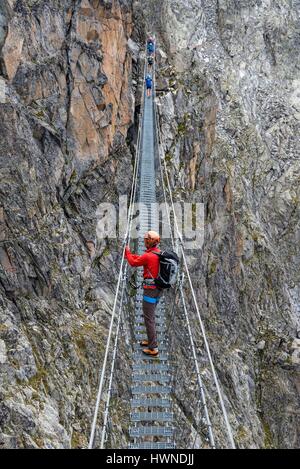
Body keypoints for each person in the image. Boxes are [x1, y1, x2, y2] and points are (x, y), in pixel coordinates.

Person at [125, 231, 161, 357]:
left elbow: (133, 263)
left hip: (150, 290)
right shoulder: (157, 253)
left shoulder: (148, 256)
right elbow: (140, 259)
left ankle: (153, 348)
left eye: (146, 240)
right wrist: (131, 255)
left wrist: (127, 252)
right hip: (158, 290)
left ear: (149, 242)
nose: (145, 241)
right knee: (150, 316)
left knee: (149, 319)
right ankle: (151, 341)